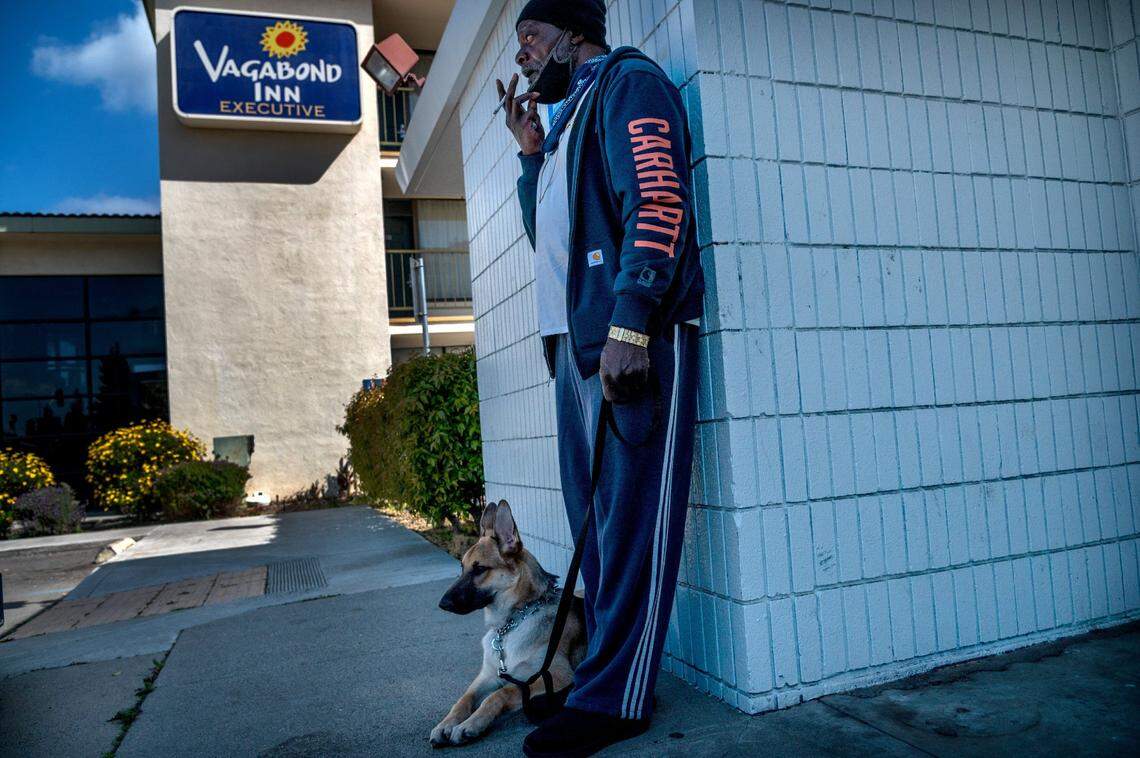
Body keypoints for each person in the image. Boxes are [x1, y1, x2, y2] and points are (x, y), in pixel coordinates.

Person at [496, 1, 704, 755]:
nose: (523, 57)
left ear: (573, 34)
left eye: (531, 38)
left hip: (628, 339)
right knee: (598, 523)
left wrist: (631, 319)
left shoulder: (628, 83)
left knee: (634, 519)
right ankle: (598, 683)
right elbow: (546, 238)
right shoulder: (560, 127)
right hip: (575, 346)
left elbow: (659, 197)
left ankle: (620, 697)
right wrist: (528, 155)